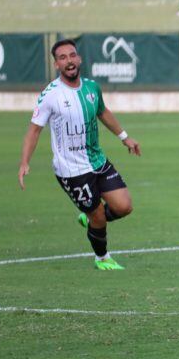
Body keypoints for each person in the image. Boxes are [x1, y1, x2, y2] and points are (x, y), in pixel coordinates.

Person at [18, 39, 141, 270]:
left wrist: (125, 137)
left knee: (124, 206)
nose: (69, 61)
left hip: (98, 161)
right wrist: (25, 162)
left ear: (79, 59)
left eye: (72, 55)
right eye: (63, 58)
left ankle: (89, 217)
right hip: (72, 171)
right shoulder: (50, 95)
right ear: (56, 64)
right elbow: (34, 130)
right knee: (99, 217)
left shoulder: (92, 87)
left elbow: (103, 112)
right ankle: (102, 258)